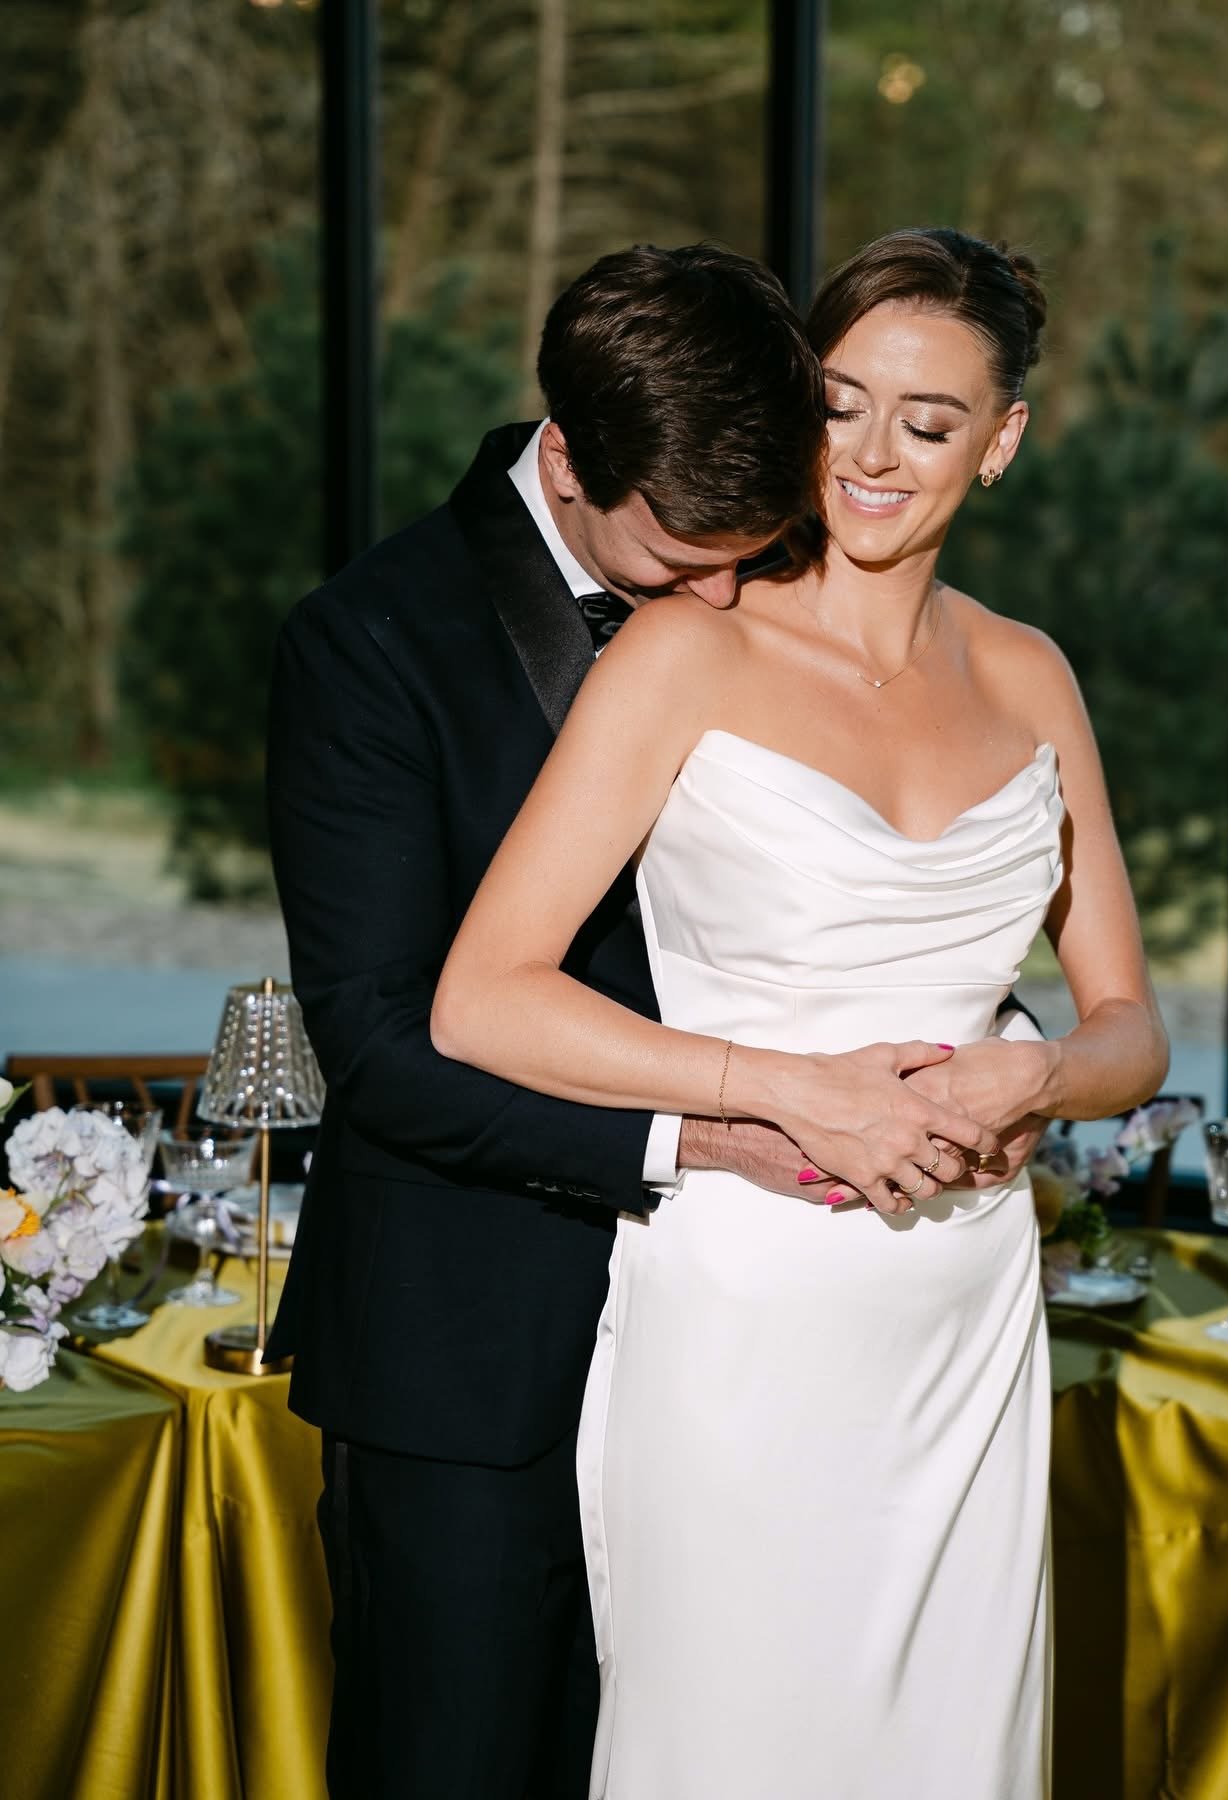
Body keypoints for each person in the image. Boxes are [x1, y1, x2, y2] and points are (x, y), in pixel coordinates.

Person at [265, 241, 1015, 1800]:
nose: (731, 595)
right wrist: (710, 1132)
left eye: (759, 550)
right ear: (567, 458)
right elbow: (386, 1047)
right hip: (474, 1351)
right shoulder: (369, 643)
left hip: (734, 1364)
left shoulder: (752, 556)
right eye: (687, 566)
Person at [432, 226, 1170, 1798]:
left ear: (1004, 439)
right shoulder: (684, 653)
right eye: (840, 406)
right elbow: (484, 1000)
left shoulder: (1035, 678)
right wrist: (786, 1089)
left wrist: (1031, 1075)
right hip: (743, 1321)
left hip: (968, 1327)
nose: (876, 457)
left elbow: (1131, 1029)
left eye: (931, 419)